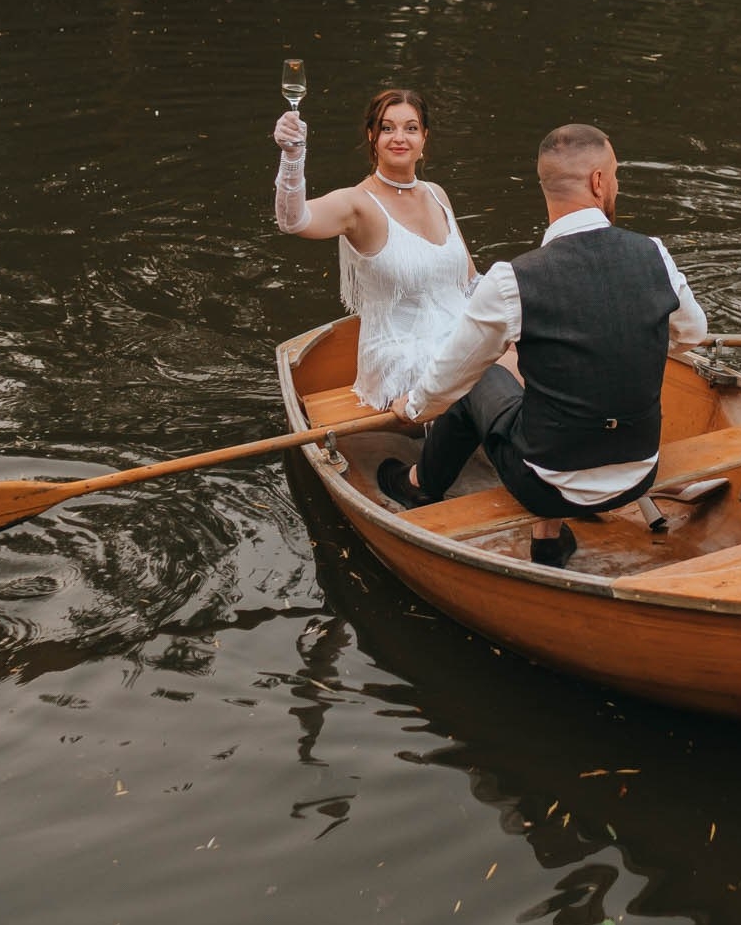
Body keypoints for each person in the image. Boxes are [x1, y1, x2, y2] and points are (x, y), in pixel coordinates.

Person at [374, 123, 707, 570]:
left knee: (483, 374)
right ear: (598, 182)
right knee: (549, 376)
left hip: (546, 485)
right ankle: (547, 539)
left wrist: (411, 407)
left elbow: (451, 375)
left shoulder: (512, 279)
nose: (617, 184)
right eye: (616, 174)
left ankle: (420, 483)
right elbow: (692, 334)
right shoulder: (654, 253)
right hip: (639, 470)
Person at [273, 88, 485, 412]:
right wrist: (292, 156)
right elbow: (293, 220)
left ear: (424, 138)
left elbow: (470, 283)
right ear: (372, 136)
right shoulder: (357, 204)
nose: (399, 137)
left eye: (410, 128)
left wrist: (520, 308)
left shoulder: (437, 194)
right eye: (387, 128)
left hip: (459, 341)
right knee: (482, 378)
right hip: (400, 357)